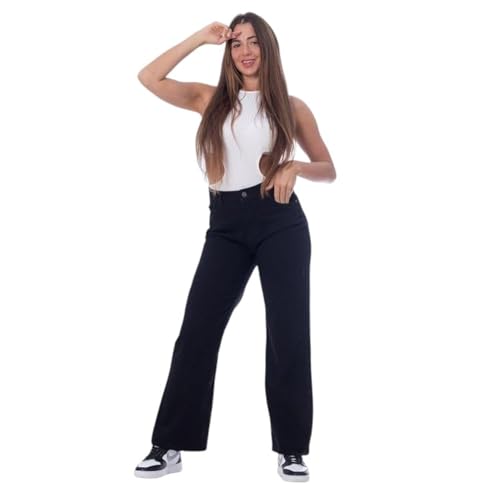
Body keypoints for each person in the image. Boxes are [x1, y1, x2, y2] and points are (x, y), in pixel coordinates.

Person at [134, 12, 336, 483]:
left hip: (280, 222)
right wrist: (200, 38)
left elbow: (328, 168)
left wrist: (296, 168)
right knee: (197, 332)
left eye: (254, 42)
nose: (245, 51)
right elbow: (149, 77)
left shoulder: (291, 106)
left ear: (268, 48)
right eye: (236, 43)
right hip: (225, 226)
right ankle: (169, 445)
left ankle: (292, 449)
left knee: (288, 334)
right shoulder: (210, 100)